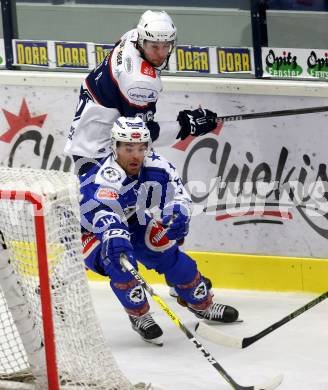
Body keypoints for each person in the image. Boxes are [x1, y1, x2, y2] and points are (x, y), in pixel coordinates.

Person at [79, 117, 239, 345]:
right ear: (114, 148)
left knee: (167, 252)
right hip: (88, 229)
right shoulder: (104, 176)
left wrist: (178, 213)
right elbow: (103, 213)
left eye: (141, 148)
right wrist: (114, 236)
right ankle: (139, 315)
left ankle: (203, 304)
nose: (136, 155)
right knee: (121, 263)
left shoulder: (156, 165)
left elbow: (179, 194)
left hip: (133, 219)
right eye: (128, 148)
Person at [64, 10, 218, 175]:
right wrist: (187, 125)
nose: (161, 54)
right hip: (100, 155)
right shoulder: (139, 83)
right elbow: (140, 134)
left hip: (90, 140)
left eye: (166, 46)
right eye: (154, 47)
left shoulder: (131, 36)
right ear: (142, 41)